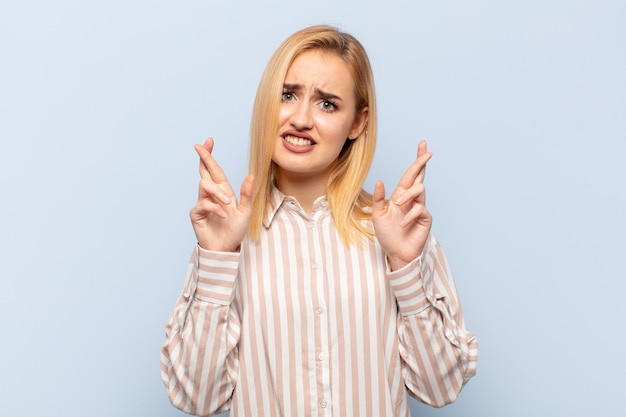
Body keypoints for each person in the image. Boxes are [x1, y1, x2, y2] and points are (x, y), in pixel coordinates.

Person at [160, 25, 477, 417]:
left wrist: (405, 266)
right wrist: (218, 257)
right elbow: (197, 399)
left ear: (358, 123)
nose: (301, 119)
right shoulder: (228, 240)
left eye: (327, 104)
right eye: (287, 95)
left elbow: (439, 387)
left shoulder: (397, 235)